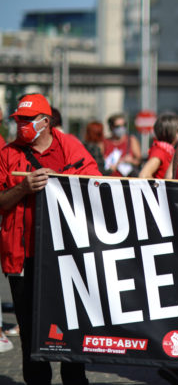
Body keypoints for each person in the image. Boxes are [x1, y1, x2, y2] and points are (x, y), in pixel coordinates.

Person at [0, 93, 99, 384]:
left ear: (46, 121)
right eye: (18, 120)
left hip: (66, 256)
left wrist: (62, 182)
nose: (22, 126)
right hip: (22, 257)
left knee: (72, 331)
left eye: (28, 121)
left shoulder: (69, 146)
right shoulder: (7, 153)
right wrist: (23, 188)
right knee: (31, 336)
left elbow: (95, 185)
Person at [139, 113, 178, 179]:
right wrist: (160, 186)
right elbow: (144, 175)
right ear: (172, 132)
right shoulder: (160, 151)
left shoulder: (168, 150)